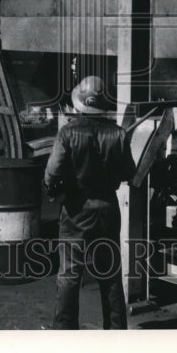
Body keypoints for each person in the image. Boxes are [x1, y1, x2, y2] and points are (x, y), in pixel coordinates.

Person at [43, 75, 136, 330]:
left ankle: (65, 333)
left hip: (75, 212)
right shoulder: (118, 134)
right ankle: (116, 333)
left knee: (70, 276)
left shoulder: (67, 133)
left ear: (78, 104)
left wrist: (56, 193)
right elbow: (130, 173)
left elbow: (52, 174)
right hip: (107, 210)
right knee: (110, 275)